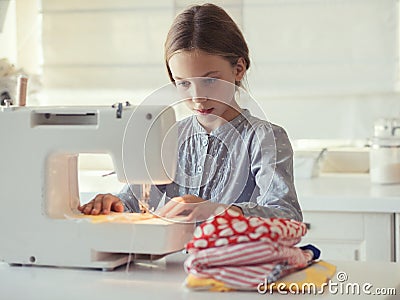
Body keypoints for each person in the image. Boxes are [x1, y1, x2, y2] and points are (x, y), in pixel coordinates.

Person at [78, 3, 302, 222]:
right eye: (184, 84)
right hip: (175, 259)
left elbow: (287, 216)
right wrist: (111, 203)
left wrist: (217, 211)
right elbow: (132, 200)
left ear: (238, 69)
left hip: (236, 259)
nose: (197, 97)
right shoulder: (168, 137)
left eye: (210, 80)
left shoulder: (265, 138)